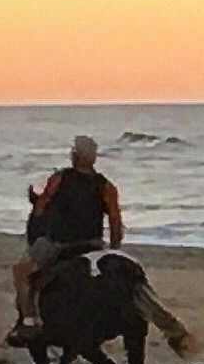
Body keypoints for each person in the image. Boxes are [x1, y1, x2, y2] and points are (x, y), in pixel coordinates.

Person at [12, 132, 123, 339]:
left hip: (61, 244)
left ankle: (28, 319)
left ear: (75, 156)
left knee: (20, 271)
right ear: (93, 158)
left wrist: (37, 202)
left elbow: (41, 207)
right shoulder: (106, 186)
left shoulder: (60, 178)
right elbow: (115, 221)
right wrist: (115, 248)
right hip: (93, 244)